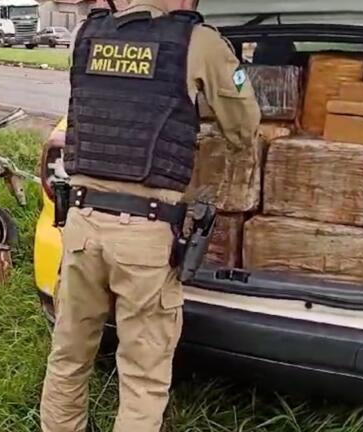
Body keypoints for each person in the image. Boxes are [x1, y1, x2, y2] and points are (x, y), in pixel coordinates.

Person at [40, 0, 261, 431]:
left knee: (68, 356)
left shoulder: (85, 36)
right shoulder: (199, 43)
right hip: (145, 234)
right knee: (143, 374)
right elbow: (244, 126)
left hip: (81, 227)